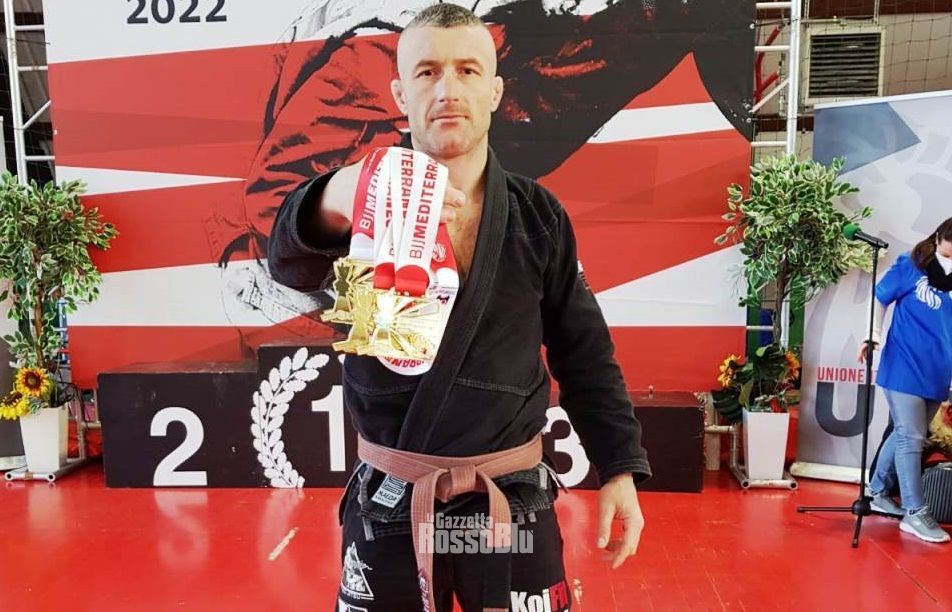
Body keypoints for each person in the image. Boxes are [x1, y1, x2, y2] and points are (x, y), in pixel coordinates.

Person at [267, 4, 651, 611]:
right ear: (400, 93)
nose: (448, 90)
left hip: (508, 493)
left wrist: (619, 467)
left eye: (468, 70)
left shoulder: (537, 214)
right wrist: (338, 193)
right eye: (427, 72)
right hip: (393, 496)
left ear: (495, 90)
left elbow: (584, 353)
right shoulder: (362, 201)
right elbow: (287, 261)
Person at [861, 218, 952, 544]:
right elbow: (880, 297)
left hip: (938, 369)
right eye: (950, 246)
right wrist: (872, 335)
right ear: (938, 237)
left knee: (908, 433)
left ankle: (876, 492)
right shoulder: (912, 265)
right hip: (904, 363)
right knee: (911, 437)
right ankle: (914, 512)